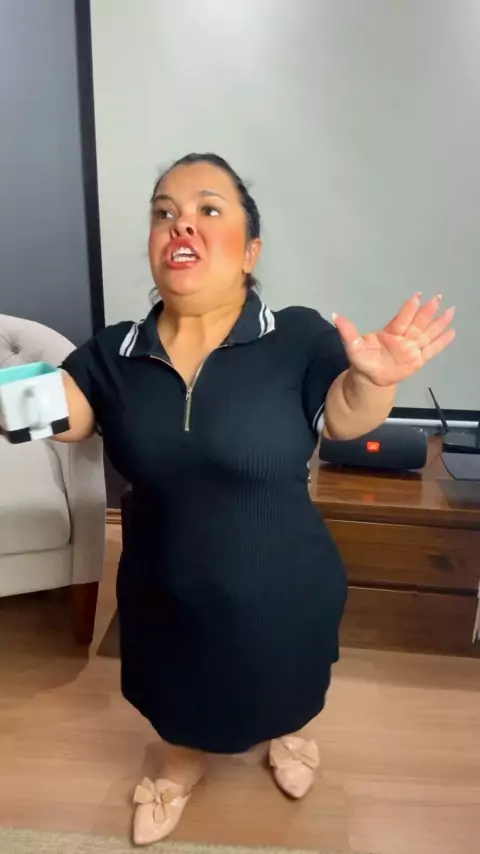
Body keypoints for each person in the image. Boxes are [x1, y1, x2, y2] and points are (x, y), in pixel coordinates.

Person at [56, 153, 455, 845]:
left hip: (284, 583)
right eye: (164, 212)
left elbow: (346, 416)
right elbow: (57, 410)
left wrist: (376, 380)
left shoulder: (296, 336)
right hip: (162, 591)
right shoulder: (113, 353)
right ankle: (181, 765)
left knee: (286, 683)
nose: (181, 223)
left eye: (208, 209)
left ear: (251, 251)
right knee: (174, 694)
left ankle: (288, 735)